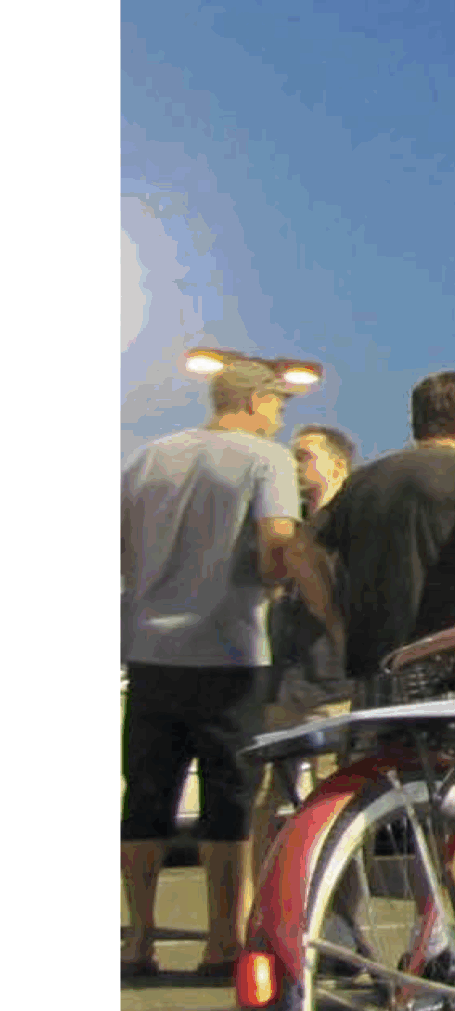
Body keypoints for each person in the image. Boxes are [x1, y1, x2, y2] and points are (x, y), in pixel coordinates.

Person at [122, 359, 342, 979]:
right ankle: (221, 943)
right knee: (227, 799)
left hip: (149, 653)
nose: (278, 420)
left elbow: (116, 542)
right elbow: (277, 545)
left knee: (147, 797)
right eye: (276, 407)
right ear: (250, 402)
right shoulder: (262, 459)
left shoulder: (148, 458)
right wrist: (278, 583)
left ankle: (138, 940)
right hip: (229, 651)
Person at [318, 370, 455, 697]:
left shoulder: (362, 481)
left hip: (375, 674)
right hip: (453, 666)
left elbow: (298, 547)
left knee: (380, 750)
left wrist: (332, 620)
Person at [250, 423, 358, 879]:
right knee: (263, 799)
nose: (294, 465)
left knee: (334, 801)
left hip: (332, 684)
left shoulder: (354, 527)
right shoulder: (286, 524)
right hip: (283, 685)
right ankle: (255, 907)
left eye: (304, 456)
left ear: (336, 464)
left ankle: (335, 910)